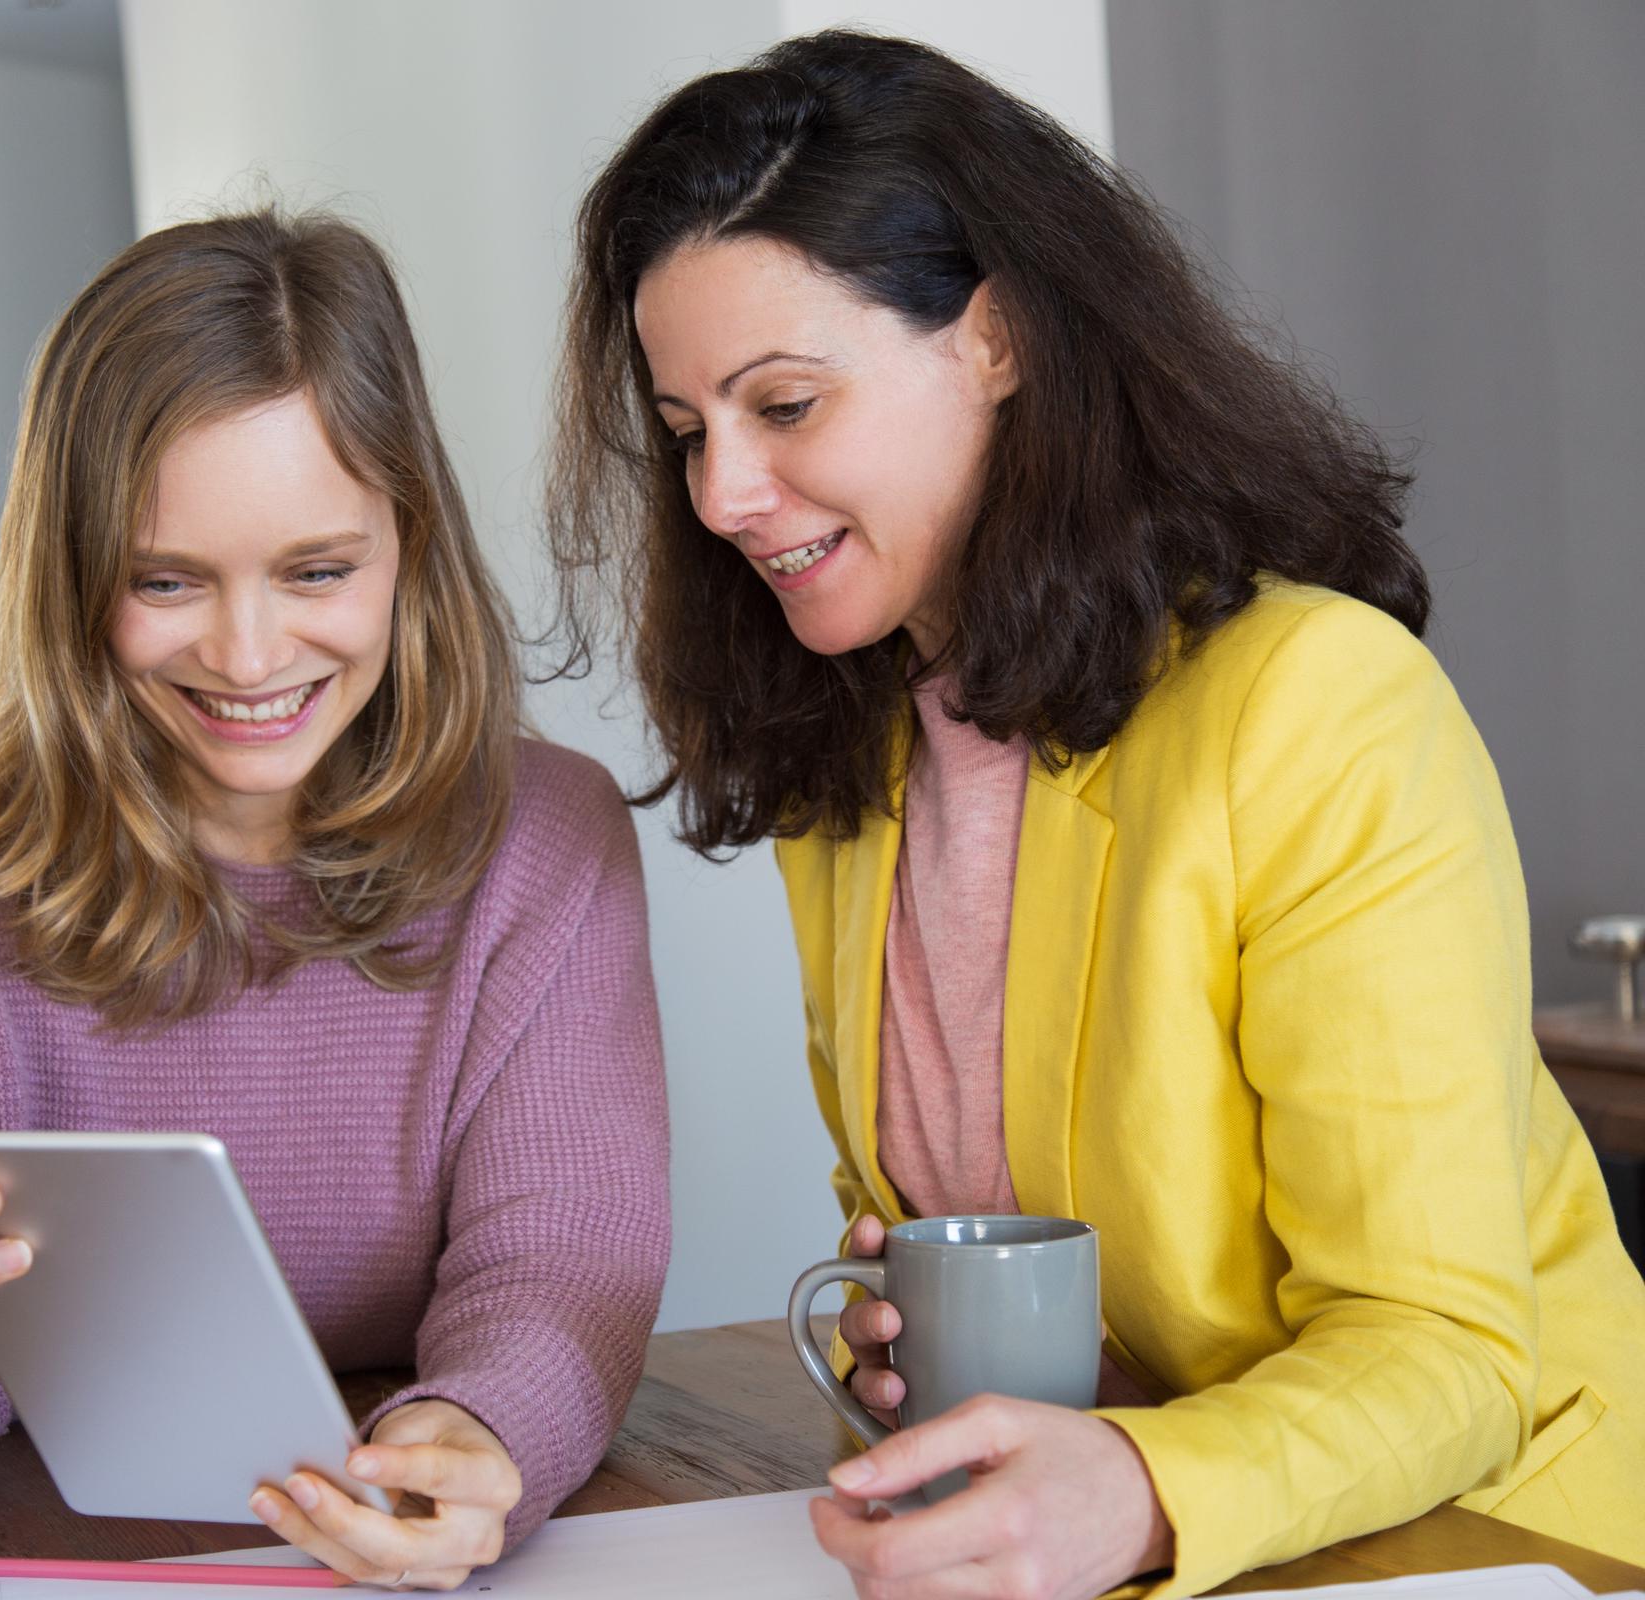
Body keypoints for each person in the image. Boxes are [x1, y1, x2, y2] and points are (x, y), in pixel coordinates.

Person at [546, 29, 1645, 1600]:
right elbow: (932, 1218)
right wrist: (913, 1339)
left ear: (996, 340)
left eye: (783, 402)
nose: (722, 495)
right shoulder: (847, 765)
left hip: (1490, 1537)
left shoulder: (1320, 705)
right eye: (686, 431)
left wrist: (1129, 1484)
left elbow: (1444, 1349)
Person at [0, 210, 670, 1591]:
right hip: (53, 1543)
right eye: (165, 580)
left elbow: (557, 1262)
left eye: (318, 571)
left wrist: (472, 1437)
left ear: (408, 544)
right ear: (72, 581)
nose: (248, 656)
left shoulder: (549, 838)